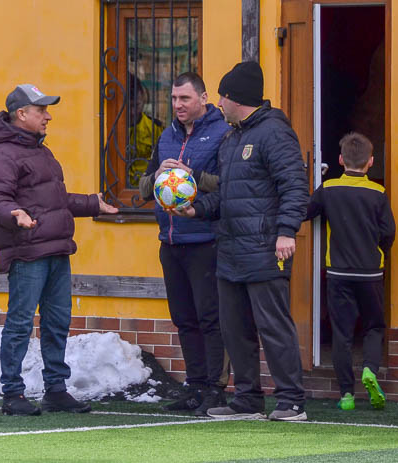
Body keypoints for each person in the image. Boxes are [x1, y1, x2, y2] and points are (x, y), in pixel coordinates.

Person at [175, 61, 309, 421]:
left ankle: (291, 400)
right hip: (231, 251)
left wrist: (285, 231)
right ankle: (247, 398)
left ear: (236, 99)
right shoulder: (233, 137)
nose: (219, 102)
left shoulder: (274, 133)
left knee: (273, 325)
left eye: (223, 96)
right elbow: (228, 196)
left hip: (265, 248)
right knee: (235, 329)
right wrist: (196, 209)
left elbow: (295, 186)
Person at [0, 84, 119, 416]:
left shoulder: (41, 151)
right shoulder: (1, 155)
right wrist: (14, 215)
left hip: (56, 251)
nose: (48, 116)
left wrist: (92, 204)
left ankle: (56, 390)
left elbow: (54, 201)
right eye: (41, 110)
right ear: (21, 114)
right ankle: (13, 394)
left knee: (57, 322)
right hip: (28, 253)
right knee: (20, 323)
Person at [138, 72, 231, 417]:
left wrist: (192, 178)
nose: (178, 105)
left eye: (185, 99)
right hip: (171, 241)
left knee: (210, 318)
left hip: (206, 241)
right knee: (184, 319)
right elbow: (144, 187)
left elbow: (230, 186)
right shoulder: (166, 136)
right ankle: (194, 386)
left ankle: (215, 390)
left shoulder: (222, 135)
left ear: (203, 98)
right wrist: (160, 174)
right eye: (174, 99)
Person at [305, 132, 395, 412]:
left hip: (338, 273)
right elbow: (389, 233)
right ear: (371, 162)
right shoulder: (378, 193)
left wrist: (312, 184)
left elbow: (305, 211)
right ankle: (369, 370)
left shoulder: (329, 188)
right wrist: (378, 253)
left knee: (342, 333)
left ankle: (346, 394)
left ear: (341, 160)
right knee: (373, 327)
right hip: (370, 272)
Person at [128, 73, 164, 187]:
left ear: (143, 98)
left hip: (149, 189)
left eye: (136, 105)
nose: (133, 111)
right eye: (129, 106)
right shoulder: (114, 129)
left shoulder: (155, 128)